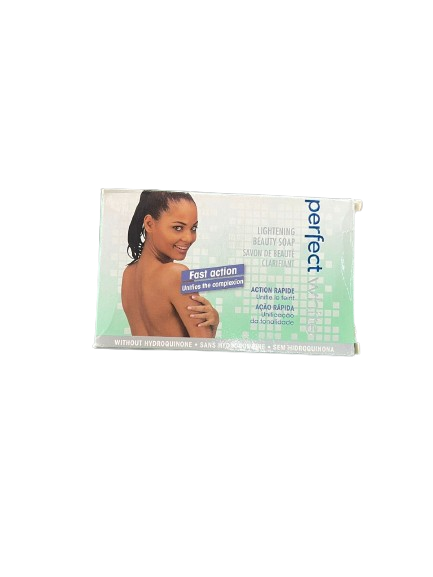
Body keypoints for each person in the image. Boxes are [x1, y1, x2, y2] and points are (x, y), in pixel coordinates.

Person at [121, 190, 219, 338]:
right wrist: (213, 325)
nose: (189, 238)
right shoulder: (177, 275)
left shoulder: (128, 274)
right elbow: (204, 346)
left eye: (193, 228)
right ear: (149, 224)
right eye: (178, 228)